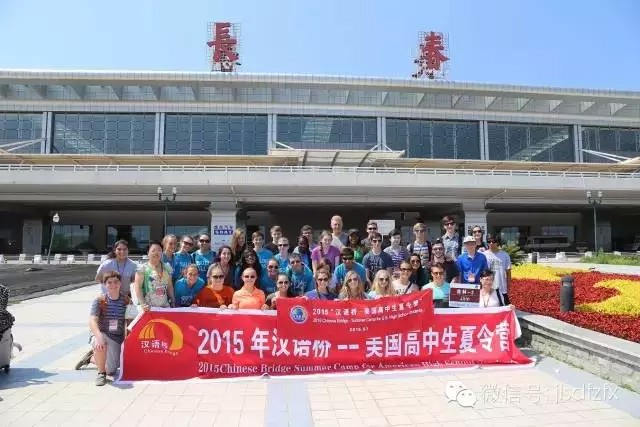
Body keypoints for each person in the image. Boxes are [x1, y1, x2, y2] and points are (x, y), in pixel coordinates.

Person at [88, 271, 128, 386]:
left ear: (120, 283)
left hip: (116, 338)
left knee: (111, 370)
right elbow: (92, 320)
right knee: (100, 341)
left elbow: (131, 320)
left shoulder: (126, 300)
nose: (113, 285)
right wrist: (98, 336)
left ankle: (91, 358)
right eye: (109, 282)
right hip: (103, 333)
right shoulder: (100, 300)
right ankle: (101, 374)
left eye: (116, 282)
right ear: (105, 285)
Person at [134, 241, 175, 310]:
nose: (156, 253)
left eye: (159, 250)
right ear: (148, 253)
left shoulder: (167, 267)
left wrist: (173, 300)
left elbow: (169, 286)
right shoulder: (142, 269)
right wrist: (143, 304)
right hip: (148, 307)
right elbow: (138, 288)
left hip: (164, 306)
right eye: (153, 250)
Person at [483, 234, 512, 305]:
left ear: (498, 242)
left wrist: (508, 286)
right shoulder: (483, 255)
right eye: (489, 241)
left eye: (494, 241)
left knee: (504, 309)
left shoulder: (505, 255)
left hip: (502, 289)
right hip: (488, 289)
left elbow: (508, 272)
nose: (491, 243)